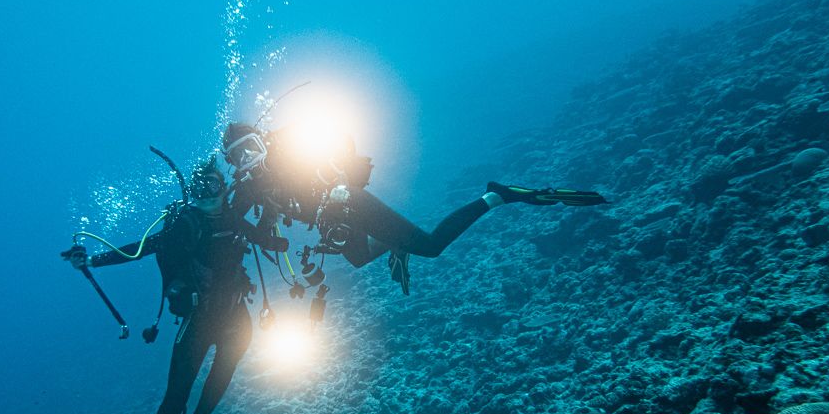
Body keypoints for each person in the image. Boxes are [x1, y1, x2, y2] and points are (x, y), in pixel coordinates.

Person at [63, 158, 282, 414]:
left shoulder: (236, 215)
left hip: (235, 317)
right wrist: (92, 258)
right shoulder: (183, 225)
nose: (208, 197)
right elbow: (138, 249)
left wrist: (278, 229)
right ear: (192, 195)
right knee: (175, 394)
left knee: (225, 369)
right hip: (197, 321)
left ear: (223, 187)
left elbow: (271, 236)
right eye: (200, 191)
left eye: (213, 187)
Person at [222, 122, 607, 294]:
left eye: (251, 148)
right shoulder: (252, 189)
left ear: (262, 140)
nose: (249, 160)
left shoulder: (289, 154)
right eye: (238, 158)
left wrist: (339, 182)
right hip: (332, 222)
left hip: (349, 201)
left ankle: (499, 194)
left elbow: (335, 152)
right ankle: (394, 244)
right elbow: (240, 224)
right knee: (357, 258)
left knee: (431, 246)